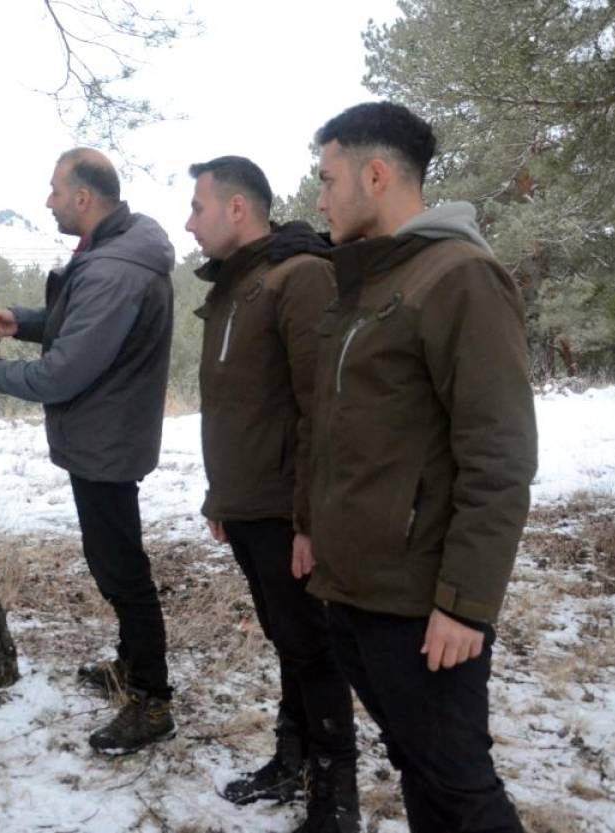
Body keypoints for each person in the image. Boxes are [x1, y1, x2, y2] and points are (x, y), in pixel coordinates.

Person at [308, 102, 537, 833]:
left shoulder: (459, 277)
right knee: (419, 766)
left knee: (462, 788)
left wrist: (466, 602)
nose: (319, 198)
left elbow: (498, 453)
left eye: (328, 178)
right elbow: (349, 433)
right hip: (358, 590)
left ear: (375, 175)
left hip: (420, 603)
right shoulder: (372, 282)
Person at [0, 147, 176, 754]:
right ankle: (131, 667)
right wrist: (20, 320)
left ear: (83, 197)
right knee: (116, 562)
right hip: (108, 434)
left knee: (122, 571)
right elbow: (77, 324)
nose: (49, 200)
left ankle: (152, 700)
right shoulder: (118, 251)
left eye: (56, 190)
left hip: (106, 441)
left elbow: (62, 372)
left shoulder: (113, 269)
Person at [184, 155, 359, 832]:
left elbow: (322, 406)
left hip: (290, 508)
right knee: (289, 639)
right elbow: (236, 404)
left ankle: (335, 796)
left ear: (236, 209)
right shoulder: (236, 284)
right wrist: (220, 496)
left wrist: (311, 517)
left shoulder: (301, 276)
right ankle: (291, 760)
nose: (189, 221)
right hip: (249, 503)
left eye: (198, 207)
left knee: (313, 646)